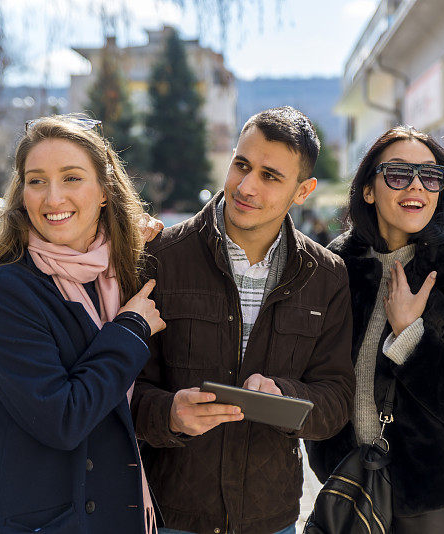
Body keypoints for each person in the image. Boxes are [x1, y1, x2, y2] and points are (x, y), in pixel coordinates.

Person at [131, 106, 355, 534]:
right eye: (241, 165)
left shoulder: (326, 277)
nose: (247, 186)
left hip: (270, 519)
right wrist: (170, 414)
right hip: (172, 516)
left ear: (302, 190)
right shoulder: (160, 257)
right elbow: (125, 387)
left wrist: (283, 397)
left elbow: (337, 397)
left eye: (270, 176)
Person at [0, 115, 165, 534]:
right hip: (29, 521)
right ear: (21, 193)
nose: (52, 197)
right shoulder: (4, 292)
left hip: (109, 512)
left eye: (71, 178)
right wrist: (130, 330)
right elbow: (62, 418)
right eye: (36, 181)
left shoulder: (119, 274)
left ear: (104, 191)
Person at [306, 125, 444, 533]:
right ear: (369, 189)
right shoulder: (335, 265)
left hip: (429, 496)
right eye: (398, 173)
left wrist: (410, 334)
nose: (416, 186)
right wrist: (326, 453)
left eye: (430, 176)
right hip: (350, 480)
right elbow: (315, 369)